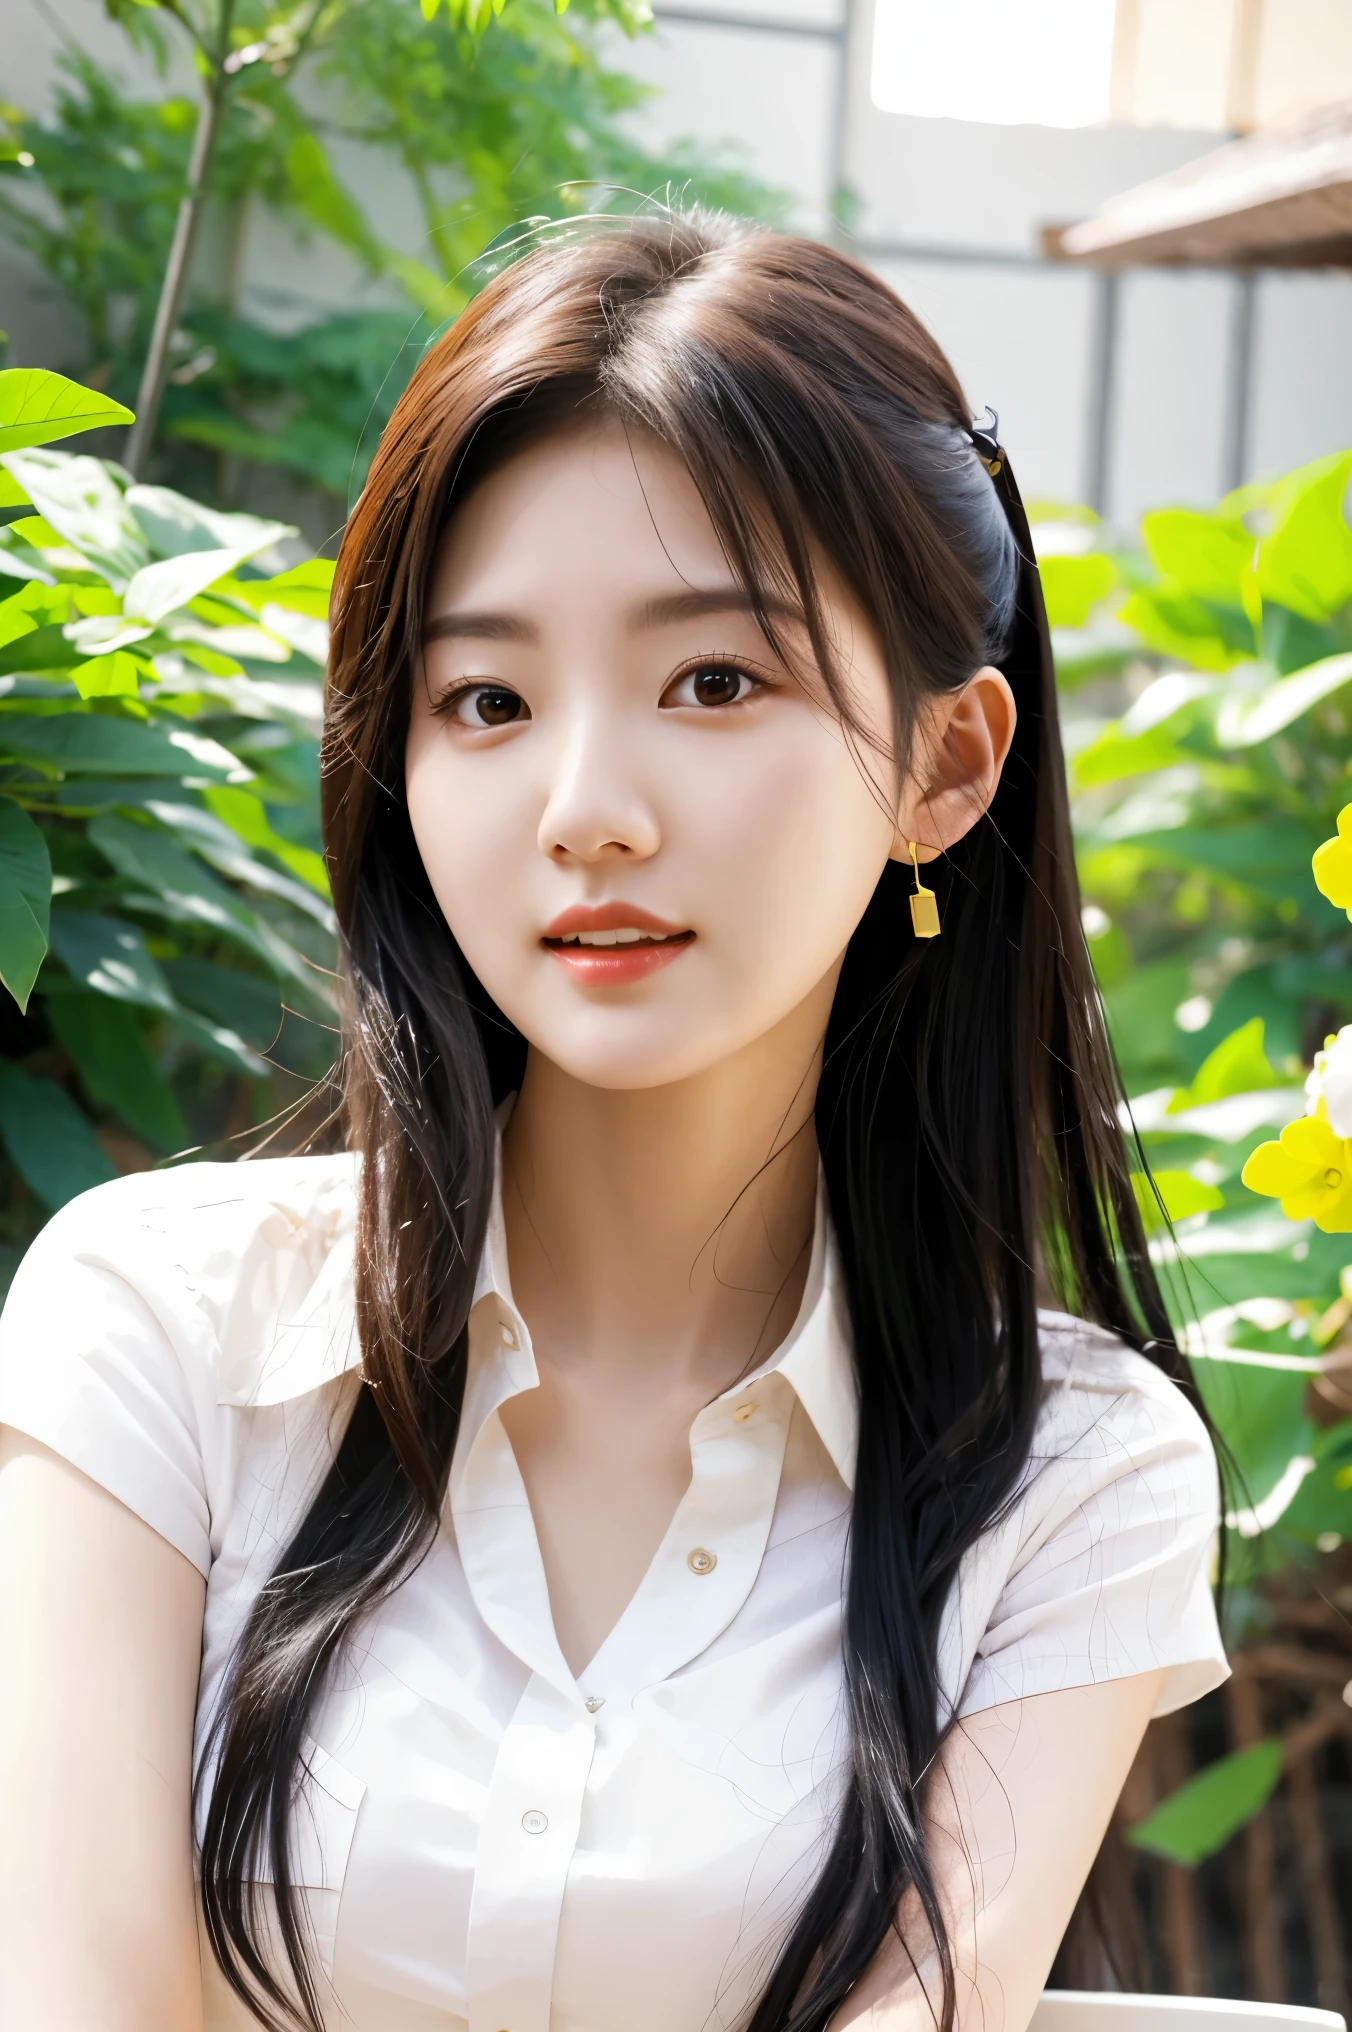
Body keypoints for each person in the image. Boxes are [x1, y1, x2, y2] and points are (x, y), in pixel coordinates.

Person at [0, 209, 1227, 2032]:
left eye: (713, 682)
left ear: (949, 765)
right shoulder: (162, 1334)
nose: (585, 809)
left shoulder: (1070, 1483)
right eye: (485, 698)